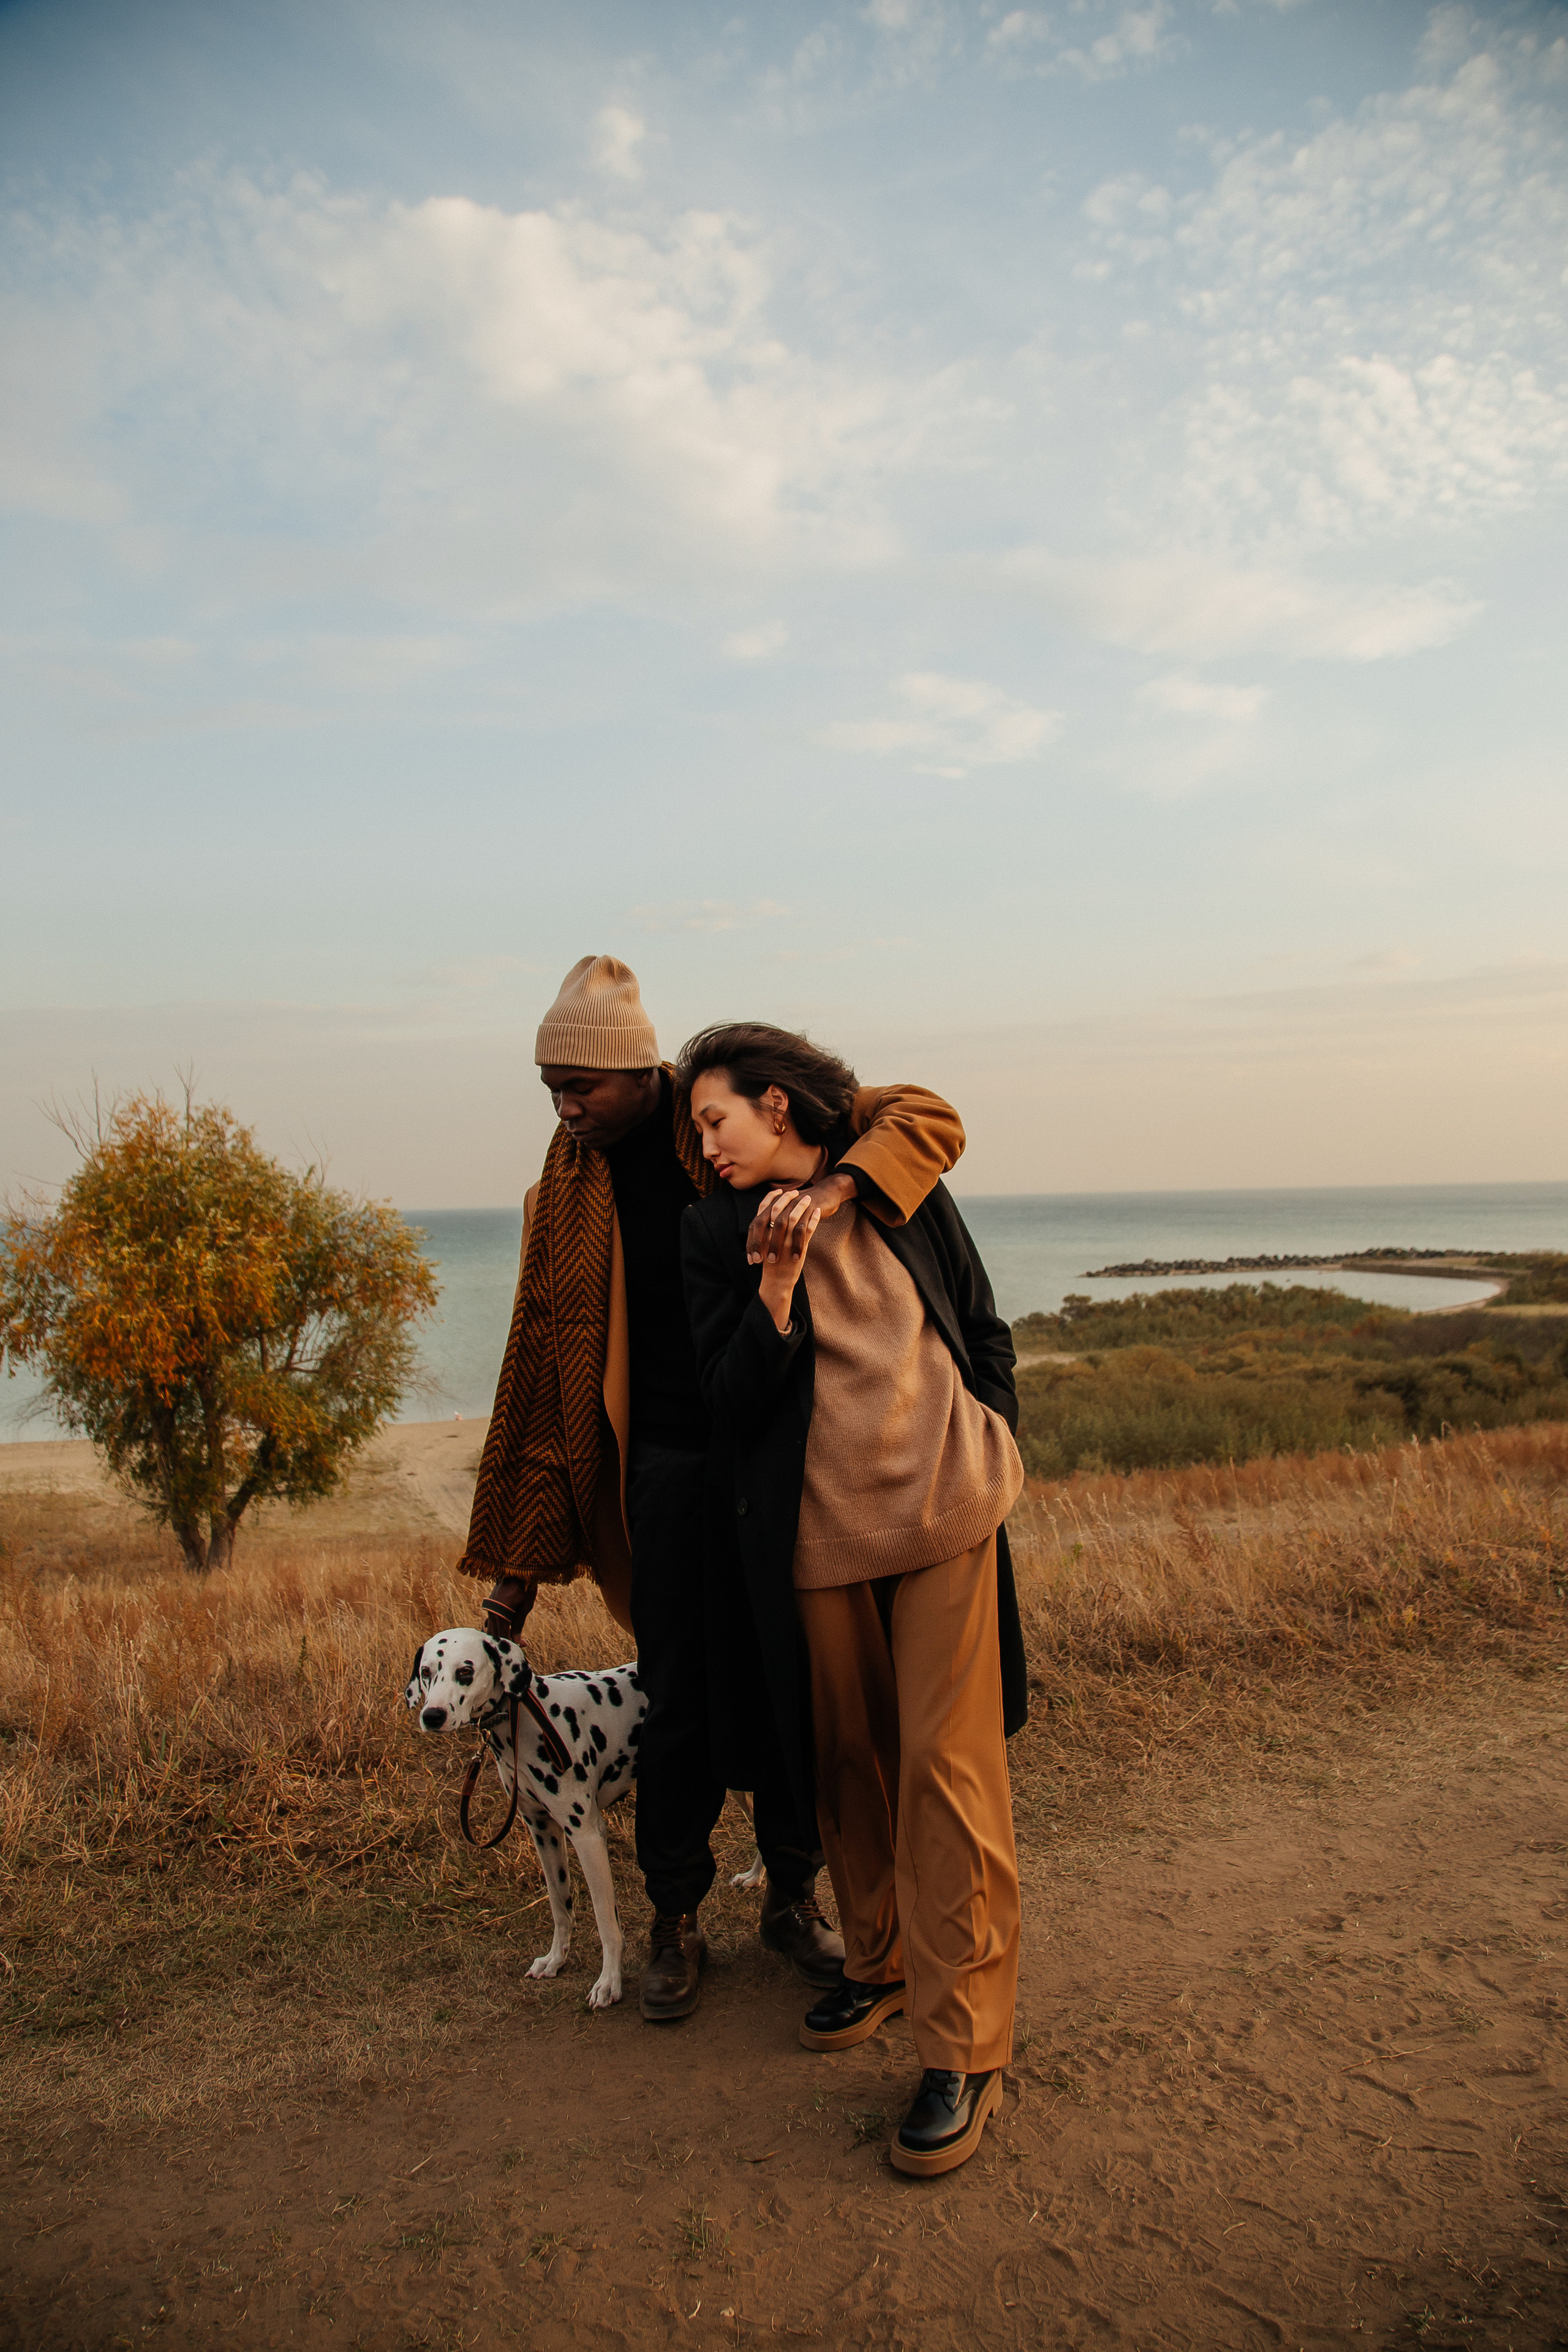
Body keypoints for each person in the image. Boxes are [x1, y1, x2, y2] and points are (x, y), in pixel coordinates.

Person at [456, 955, 965, 2023]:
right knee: (679, 1696)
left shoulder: (722, 1122)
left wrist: (831, 1189)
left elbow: (911, 1116)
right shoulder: (562, 1197)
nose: (565, 1105)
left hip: (782, 1446)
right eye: (550, 1085)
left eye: (581, 1085)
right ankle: (675, 1915)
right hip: (671, 1468)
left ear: (639, 1070)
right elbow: (545, 1381)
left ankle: (792, 1896)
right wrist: (515, 1586)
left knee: (793, 1685)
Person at [677, 1021, 1027, 2176]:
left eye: (715, 1120)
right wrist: (775, 1281)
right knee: (848, 1765)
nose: (705, 1148)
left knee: (947, 1771)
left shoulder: (892, 1176)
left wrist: (992, 1437)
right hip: (817, 1543)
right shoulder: (712, 1228)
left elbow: (980, 1324)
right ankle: (876, 1961)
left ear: (776, 1106)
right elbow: (726, 1403)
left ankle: (964, 2049)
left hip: (943, 1515)